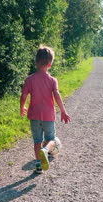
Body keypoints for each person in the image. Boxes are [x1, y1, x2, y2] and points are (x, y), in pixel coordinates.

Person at [20, 45, 71, 174]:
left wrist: (22, 107)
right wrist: (63, 111)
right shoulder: (52, 80)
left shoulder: (29, 80)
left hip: (34, 115)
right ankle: (46, 150)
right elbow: (57, 96)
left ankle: (38, 166)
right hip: (48, 115)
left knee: (37, 141)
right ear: (50, 64)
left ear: (36, 62)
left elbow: (24, 95)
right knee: (51, 139)